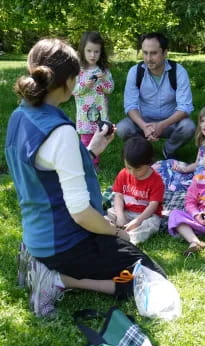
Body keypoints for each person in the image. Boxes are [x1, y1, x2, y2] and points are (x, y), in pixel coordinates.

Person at [5, 38, 166, 318]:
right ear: (69, 82)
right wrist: (117, 232)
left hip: (38, 234)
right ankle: (56, 279)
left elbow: (47, 174)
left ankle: (41, 263)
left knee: (137, 270)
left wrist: (91, 152)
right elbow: (80, 213)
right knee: (147, 278)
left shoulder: (19, 116)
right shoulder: (60, 132)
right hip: (67, 242)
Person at [117, 32, 195, 159]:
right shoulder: (135, 72)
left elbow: (185, 108)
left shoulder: (179, 72)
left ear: (165, 53)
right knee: (122, 128)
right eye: (145, 53)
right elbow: (130, 106)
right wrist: (143, 125)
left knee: (188, 127)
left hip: (170, 123)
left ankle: (168, 150)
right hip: (143, 123)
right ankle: (146, 152)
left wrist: (162, 125)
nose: (148, 58)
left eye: (153, 53)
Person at [152, 105, 205, 192]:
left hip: (204, 181)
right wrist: (185, 169)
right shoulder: (204, 142)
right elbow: (197, 163)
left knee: (173, 185)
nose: (204, 125)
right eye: (202, 121)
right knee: (168, 163)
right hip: (196, 174)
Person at [106, 136, 165, 245]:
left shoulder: (156, 180)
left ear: (148, 163)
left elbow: (153, 206)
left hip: (146, 215)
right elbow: (118, 196)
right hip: (126, 211)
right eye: (128, 167)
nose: (132, 173)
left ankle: (129, 239)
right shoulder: (123, 174)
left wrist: (138, 221)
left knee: (151, 224)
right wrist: (120, 216)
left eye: (138, 169)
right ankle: (106, 231)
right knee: (110, 214)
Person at [72, 31, 114, 169]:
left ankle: (94, 164)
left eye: (96, 52)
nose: (92, 55)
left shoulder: (103, 70)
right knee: (85, 139)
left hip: (99, 111)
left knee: (99, 136)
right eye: (89, 51)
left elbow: (110, 89)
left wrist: (102, 83)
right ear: (82, 50)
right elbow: (73, 91)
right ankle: (85, 163)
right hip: (84, 114)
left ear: (101, 52)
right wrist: (85, 85)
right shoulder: (79, 71)